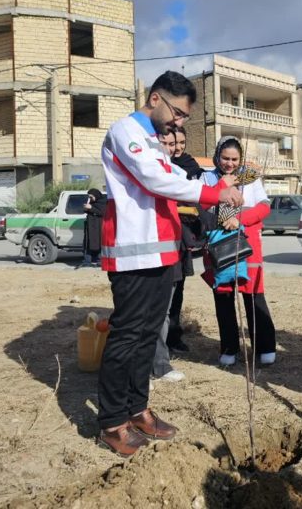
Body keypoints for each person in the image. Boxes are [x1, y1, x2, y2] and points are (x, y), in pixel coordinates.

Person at [97, 70, 242, 457]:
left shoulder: (152, 140)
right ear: (156, 98)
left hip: (161, 251)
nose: (179, 123)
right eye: (178, 113)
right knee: (127, 334)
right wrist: (214, 192)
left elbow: (173, 174)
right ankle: (112, 421)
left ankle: (136, 407)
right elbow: (154, 179)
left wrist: (222, 190)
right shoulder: (125, 131)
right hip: (132, 251)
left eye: (184, 118)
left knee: (148, 335)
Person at [199, 136, 277, 367]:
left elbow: (264, 207)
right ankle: (229, 348)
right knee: (223, 297)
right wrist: (222, 185)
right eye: (225, 158)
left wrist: (240, 219)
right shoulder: (207, 177)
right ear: (217, 156)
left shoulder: (250, 178)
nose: (230, 164)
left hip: (248, 243)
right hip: (218, 242)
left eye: (234, 159)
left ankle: (265, 346)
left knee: (254, 296)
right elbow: (201, 205)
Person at [149, 130, 186, 384]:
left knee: (164, 311)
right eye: (167, 142)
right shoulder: (148, 171)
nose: (172, 148)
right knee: (150, 313)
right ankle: (150, 367)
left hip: (172, 250)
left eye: (176, 143)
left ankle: (159, 364)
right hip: (149, 254)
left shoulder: (178, 170)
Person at [167, 126, 204, 353]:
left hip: (183, 236)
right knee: (163, 289)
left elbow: (198, 196)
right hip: (163, 232)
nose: (177, 147)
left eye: (181, 142)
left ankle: (174, 335)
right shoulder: (159, 166)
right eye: (172, 143)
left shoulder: (191, 166)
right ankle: (159, 340)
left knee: (178, 288)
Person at [82, 188, 106, 266]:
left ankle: (100, 261)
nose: (90, 199)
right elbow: (89, 211)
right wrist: (86, 208)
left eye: (91, 197)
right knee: (89, 243)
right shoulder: (91, 202)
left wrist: (91, 208)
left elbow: (102, 212)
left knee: (99, 243)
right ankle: (87, 261)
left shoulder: (103, 202)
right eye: (89, 197)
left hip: (99, 227)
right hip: (91, 227)